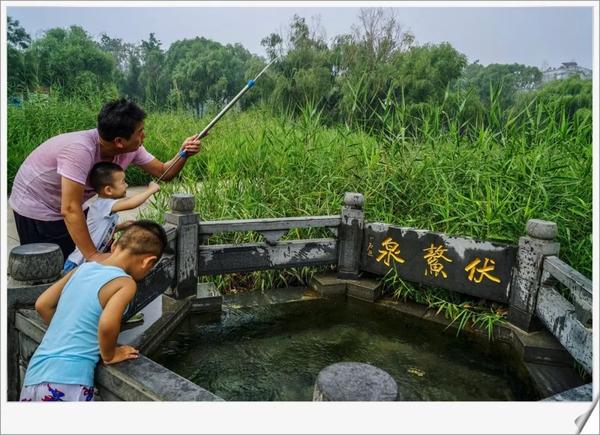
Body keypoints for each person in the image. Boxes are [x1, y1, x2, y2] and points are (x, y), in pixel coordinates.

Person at [9, 98, 200, 262]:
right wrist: (93, 255)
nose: (144, 136)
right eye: (140, 131)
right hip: (37, 205)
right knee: (57, 265)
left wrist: (184, 153)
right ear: (119, 141)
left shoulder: (131, 149)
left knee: (85, 257)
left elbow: (163, 172)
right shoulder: (80, 150)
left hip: (66, 204)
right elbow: (69, 209)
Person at [19, 220, 167, 402]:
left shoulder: (83, 269)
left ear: (114, 245)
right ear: (147, 262)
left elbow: (42, 304)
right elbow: (106, 324)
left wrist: (70, 329)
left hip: (35, 374)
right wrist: (111, 354)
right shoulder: (125, 283)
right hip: (70, 381)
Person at [62, 161, 160, 273]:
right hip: (77, 263)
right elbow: (132, 203)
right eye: (123, 182)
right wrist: (151, 190)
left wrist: (119, 227)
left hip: (87, 262)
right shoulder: (104, 204)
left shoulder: (105, 206)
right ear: (108, 190)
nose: (127, 185)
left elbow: (98, 230)